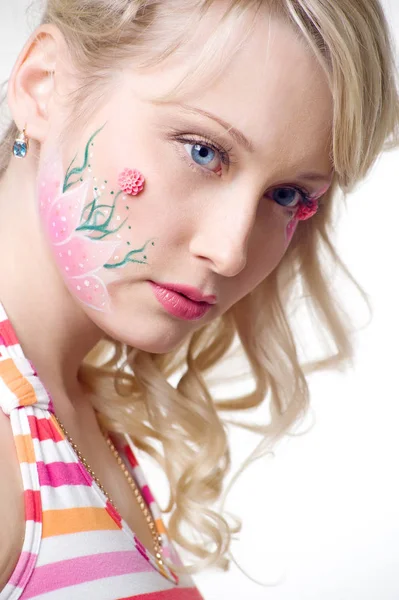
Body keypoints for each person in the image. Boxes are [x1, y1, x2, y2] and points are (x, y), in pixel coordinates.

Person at [0, 0, 398, 598]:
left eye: (286, 195)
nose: (232, 251)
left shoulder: (66, 411)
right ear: (43, 87)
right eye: (202, 151)